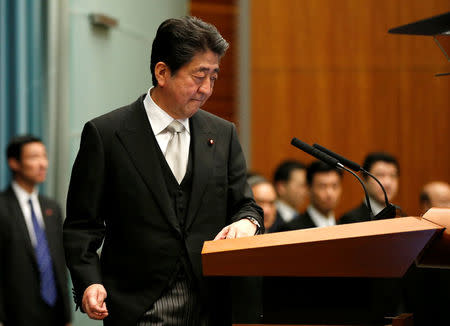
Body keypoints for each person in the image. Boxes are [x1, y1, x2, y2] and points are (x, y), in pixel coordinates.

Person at [63, 16, 263, 326]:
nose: (207, 89)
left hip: (211, 305)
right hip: (137, 307)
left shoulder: (223, 134)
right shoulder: (107, 135)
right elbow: (81, 225)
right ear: (162, 72)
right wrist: (89, 281)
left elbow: (245, 204)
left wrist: (248, 222)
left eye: (214, 77)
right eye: (199, 76)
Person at [0, 135, 71, 326]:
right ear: (14, 163)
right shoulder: (3, 207)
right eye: (33, 157)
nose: (43, 164)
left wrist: (66, 316)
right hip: (17, 315)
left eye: (44, 156)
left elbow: (58, 262)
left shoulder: (52, 208)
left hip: (54, 314)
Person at [339, 152, 399, 224]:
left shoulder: (401, 217)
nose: (388, 183)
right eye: (380, 175)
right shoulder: (351, 220)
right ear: (364, 179)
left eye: (393, 176)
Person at [285, 161, 342, 230]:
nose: (329, 193)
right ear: (309, 189)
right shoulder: (292, 229)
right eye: (322, 186)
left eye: (334, 186)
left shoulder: (345, 226)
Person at [273, 160, 307, 228]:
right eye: (301, 185)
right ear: (281, 187)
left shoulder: (303, 219)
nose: (305, 191)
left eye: (306, 186)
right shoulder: (269, 218)